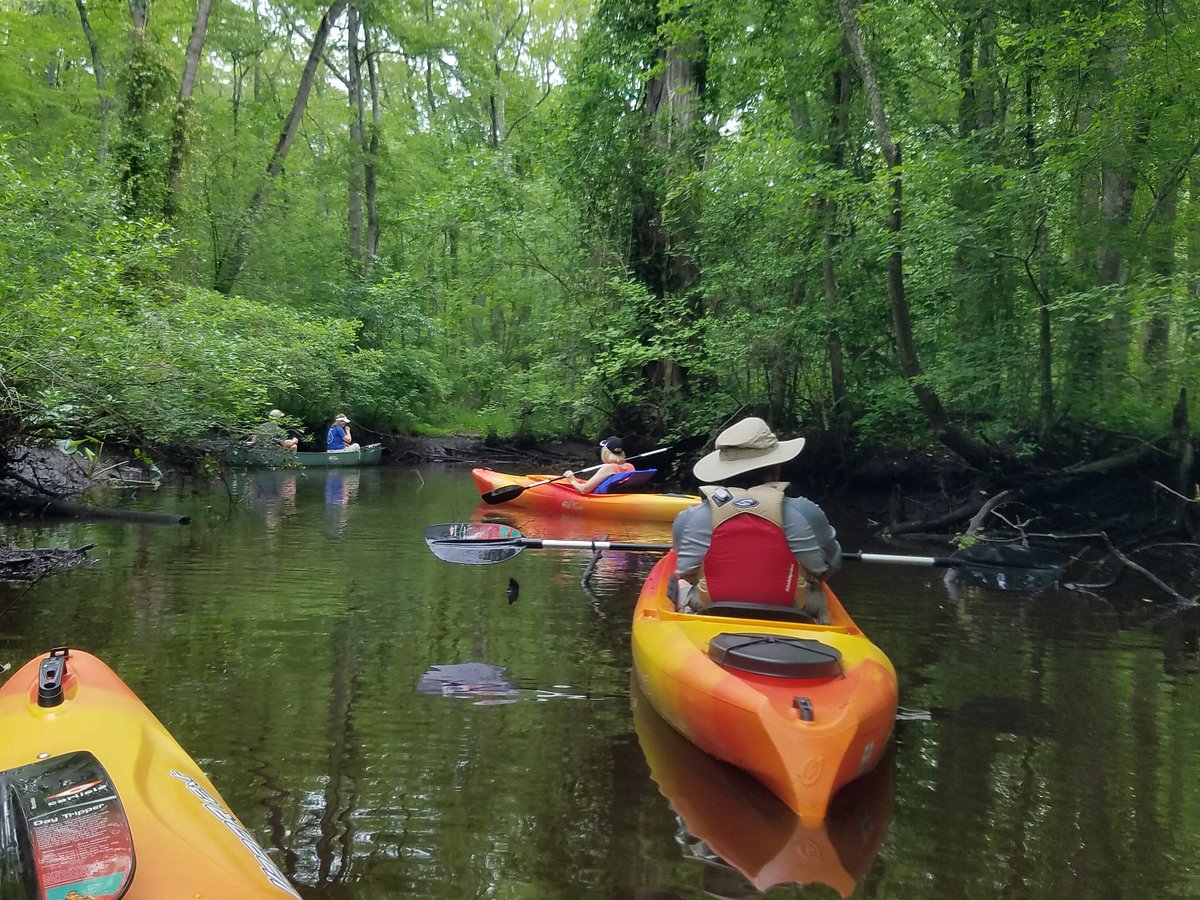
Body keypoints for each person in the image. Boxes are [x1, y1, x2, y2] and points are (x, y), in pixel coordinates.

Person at [671, 417, 842, 622]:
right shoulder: (806, 512)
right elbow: (831, 565)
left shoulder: (690, 518)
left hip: (712, 611)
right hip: (795, 613)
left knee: (679, 583)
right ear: (776, 468)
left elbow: (685, 571)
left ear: (722, 472)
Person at [563, 436, 635, 494]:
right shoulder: (631, 467)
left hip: (609, 502)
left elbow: (583, 490)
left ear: (605, 452)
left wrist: (572, 480)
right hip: (621, 498)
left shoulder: (608, 468)